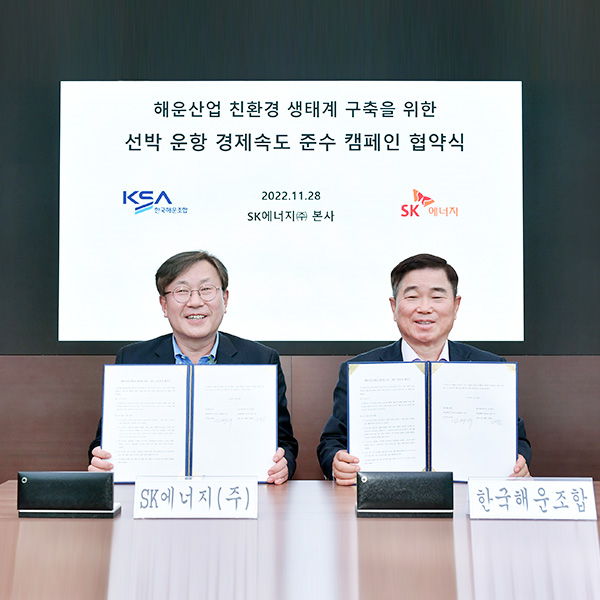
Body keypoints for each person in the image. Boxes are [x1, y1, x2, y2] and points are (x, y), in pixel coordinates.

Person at [317, 253, 531, 485]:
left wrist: (518, 463)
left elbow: (516, 440)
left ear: (456, 306)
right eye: (412, 297)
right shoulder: (360, 372)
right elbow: (332, 441)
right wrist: (337, 462)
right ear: (394, 307)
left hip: (467, 494)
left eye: (437, 297)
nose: (425, 308)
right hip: (387, 495)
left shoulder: (491, 369)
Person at [89, 250, 298, 484]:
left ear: (225, 299)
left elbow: (284, 443)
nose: (195, 302)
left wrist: (283, 464)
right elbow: (105, 442)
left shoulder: (260, 360)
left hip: (232, 493)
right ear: (164, 304)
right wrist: (101, 460)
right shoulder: (132, 359)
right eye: (182, 291)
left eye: (206, 289)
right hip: (157, 494)